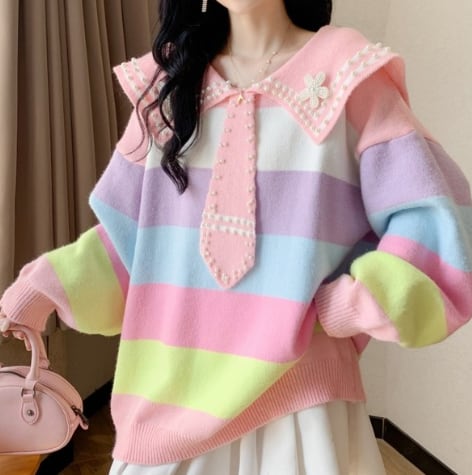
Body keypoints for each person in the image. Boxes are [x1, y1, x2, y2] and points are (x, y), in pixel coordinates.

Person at [1, 0, 472, 473]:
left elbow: (440, 223)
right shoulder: (167, 84)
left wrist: (350, 303)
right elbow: (136, 247)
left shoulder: (347, 74)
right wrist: (46, 284)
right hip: (170, 401)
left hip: (302, 410)